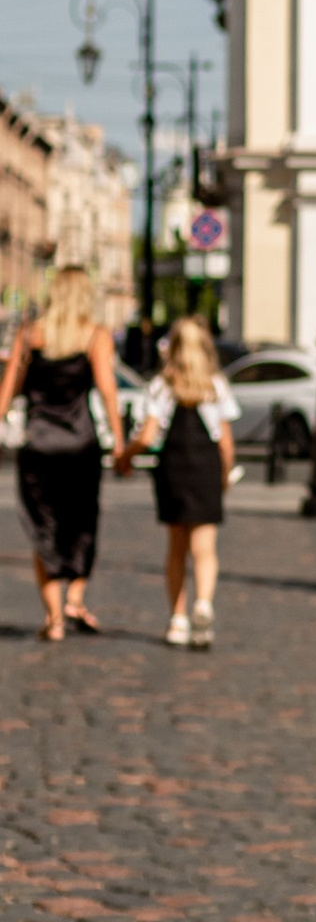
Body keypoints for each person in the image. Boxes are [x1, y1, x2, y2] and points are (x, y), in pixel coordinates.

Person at [0, 263, 131, 639]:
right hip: (80, 444)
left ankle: (54, 618)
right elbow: (107, 391)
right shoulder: (96, 336)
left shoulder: (30, 335)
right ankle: (75, 597)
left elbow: (7, 391)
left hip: (38, 445)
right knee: (81, 523)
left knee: (44, 528)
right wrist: (119, 441)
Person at [134, 315, 236, 648]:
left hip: (173, 469)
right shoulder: (215, 385)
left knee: (176, 547)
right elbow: (225, 443)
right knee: (205, 547)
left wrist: (125, 454)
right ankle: (203, 604)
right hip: (205, 468)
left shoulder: (163, 385)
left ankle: (177, 619)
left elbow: (149, 435)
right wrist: (225, 475)